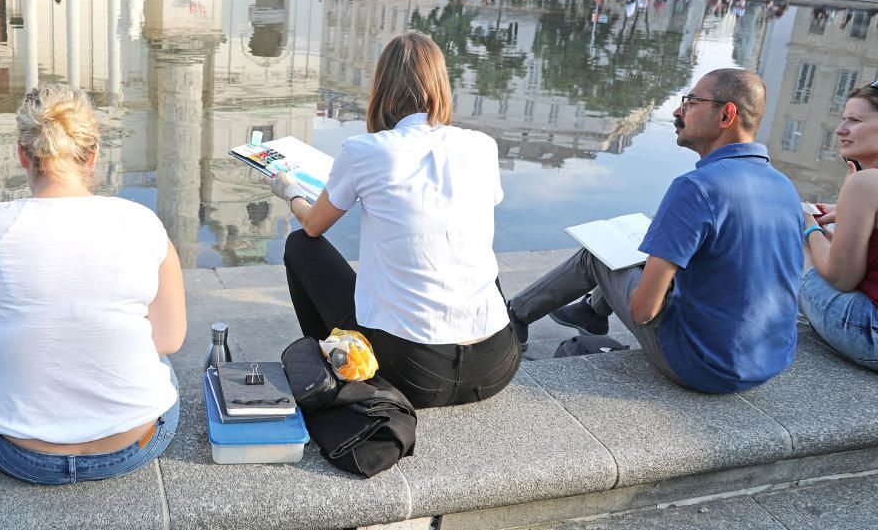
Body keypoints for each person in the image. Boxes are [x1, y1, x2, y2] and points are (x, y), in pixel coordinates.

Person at [0, 84, 186, 484]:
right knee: (156, 359)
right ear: (93, 155)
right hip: (131, 445)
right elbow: (169, 340)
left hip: (16, 452)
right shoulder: (142, 222)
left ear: (23, 154)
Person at [507, 69, 804, 394]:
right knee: (659, 252)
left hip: (704, 364)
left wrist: (641, 278)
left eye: (691, 102)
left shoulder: (697, 188)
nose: (678, 111)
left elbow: (643, 311)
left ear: (726, 115)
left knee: (598, 256)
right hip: (770, 360)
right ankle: (591, 311)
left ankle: (515, 317)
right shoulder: (784, 185)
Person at [267, 33, 521, 409]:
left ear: (382, 88)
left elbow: (313, 225)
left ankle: (337, 363)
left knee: (301, 246)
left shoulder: (364, 150)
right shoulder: (481, 145)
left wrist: (291, 192)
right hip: (496, 364)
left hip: (412, 373)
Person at [800, 81, 878, 372]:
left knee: (796, 241)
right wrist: (844, 212)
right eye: (844, 118)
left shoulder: (865, 183)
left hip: (869, 332)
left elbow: (842, 278)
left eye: (854, 120)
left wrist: (809, 226)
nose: (840, 129)